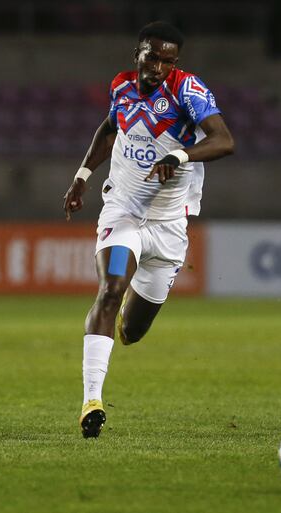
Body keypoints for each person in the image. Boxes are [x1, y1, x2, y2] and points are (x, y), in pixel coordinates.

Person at [63, 21, 234, 438]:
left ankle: (125, 313)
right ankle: (91, 402)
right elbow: (110, 128)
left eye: (167, 61)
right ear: (137, 54)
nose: (158, 67)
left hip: (169, 228)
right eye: (152, 57)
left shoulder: (188, 90)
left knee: (132, 331)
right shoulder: (121, 85)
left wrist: (179, 155)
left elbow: (224, 140)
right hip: (123, 213)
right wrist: (83, 176)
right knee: (110, 289)